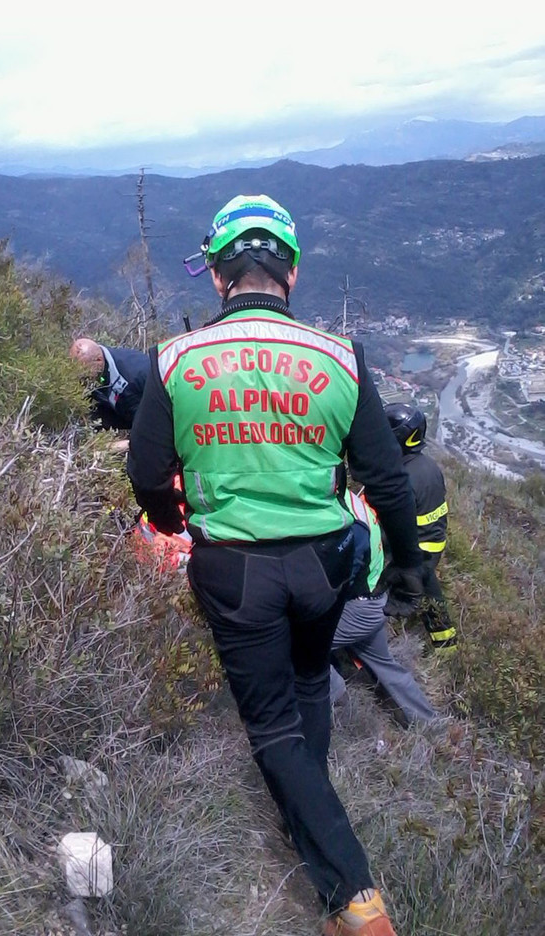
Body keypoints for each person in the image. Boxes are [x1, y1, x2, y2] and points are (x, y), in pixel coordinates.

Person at [127, 193, 425, 936]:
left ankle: (356, 898)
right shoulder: (339, 357)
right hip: (326, 567)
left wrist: (172, 521)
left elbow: (145, 470)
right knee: (307, 689)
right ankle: (315, 840)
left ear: (221, 277)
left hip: (234, 571)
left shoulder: (176, 360)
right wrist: (413, 567)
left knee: (271, 728)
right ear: (288, 270)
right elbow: (386, 478)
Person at [330, 489, 437, 726]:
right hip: (376, 602)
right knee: (384, 663)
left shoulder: (345, 521)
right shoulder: (354, 502)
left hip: (357, 610)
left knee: (295, 646)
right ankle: (429, 723)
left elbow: (336, 583)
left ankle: (334, 696)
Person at [384, 403, 457, 651]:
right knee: (430, 593)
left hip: (415, 548)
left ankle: (384, 640)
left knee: (378, 590)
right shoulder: (428, 466)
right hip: (431, 543)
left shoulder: (403, 476)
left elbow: (393, 524)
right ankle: (447, 644)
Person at [68, 336, 149, 432]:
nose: (82, 376)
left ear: (98, 360)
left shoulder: (136, 373)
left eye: (85, 370)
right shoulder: (97, 377)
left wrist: (128, 444)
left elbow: (157, 420)